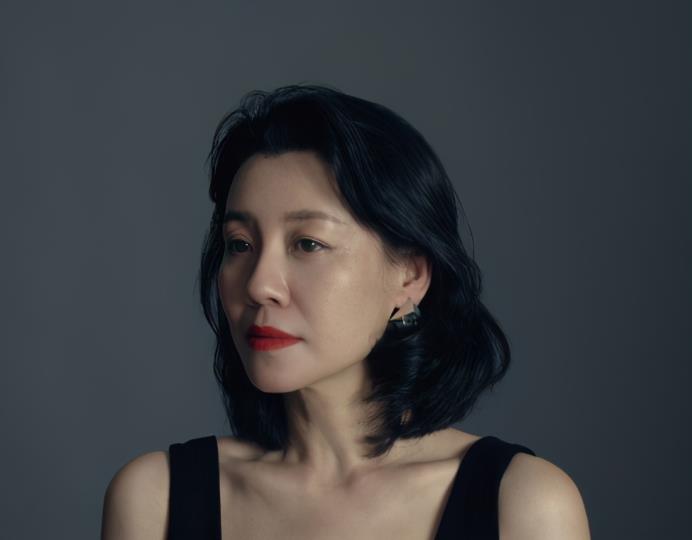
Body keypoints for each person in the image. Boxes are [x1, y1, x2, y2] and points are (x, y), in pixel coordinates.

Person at [101, 84, 590, 539]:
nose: (259, 285)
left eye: (308, 243)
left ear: (409, 277)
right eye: (240, 244)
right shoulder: (156, 499)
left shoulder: (523, 505)